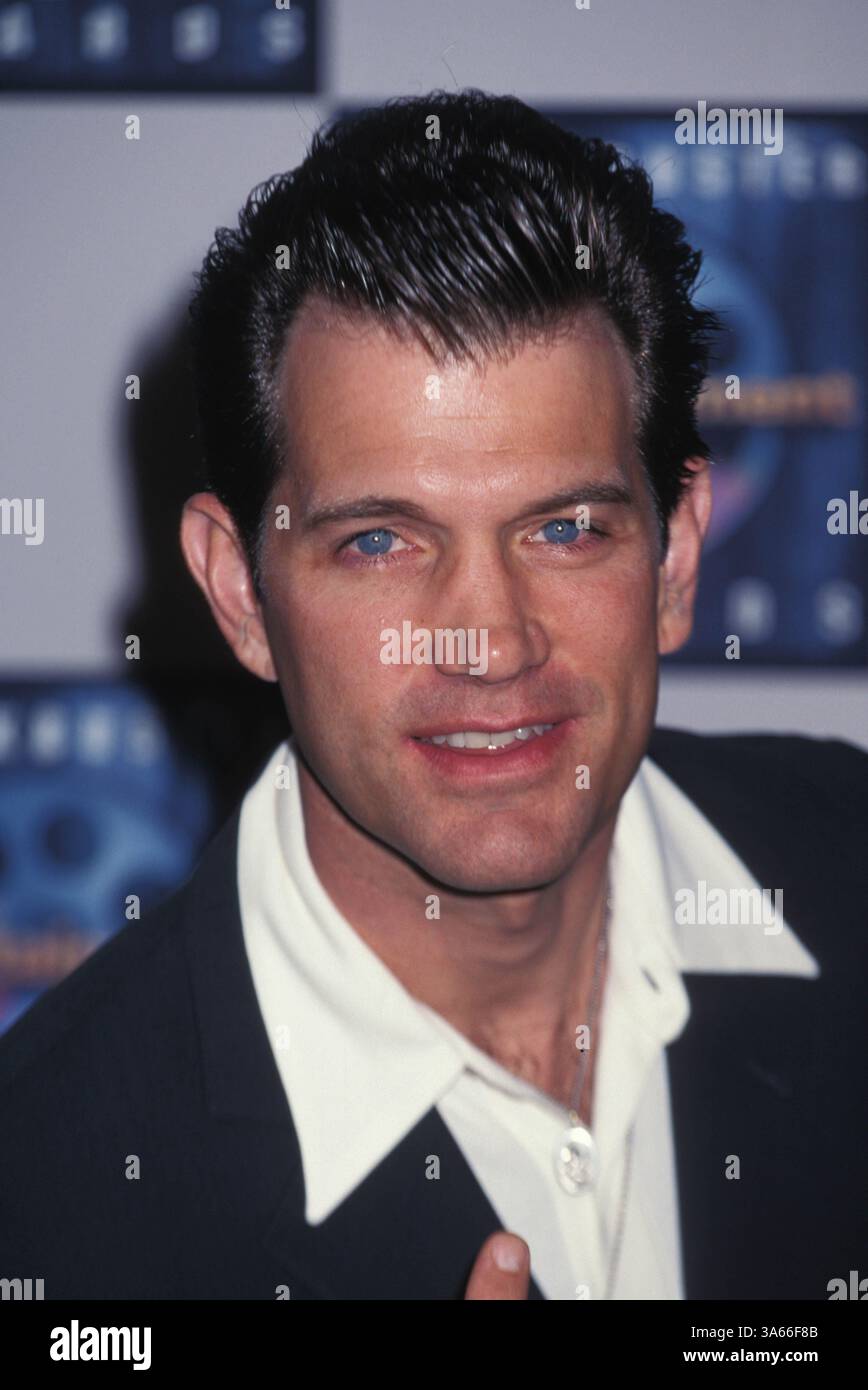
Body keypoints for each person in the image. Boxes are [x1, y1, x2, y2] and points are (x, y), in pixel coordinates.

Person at [1, 90, 865, 1301]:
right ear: (241, 593)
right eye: (379, 543)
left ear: (672, 557)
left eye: (564, 528)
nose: (489, 641)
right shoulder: (47, 1203)